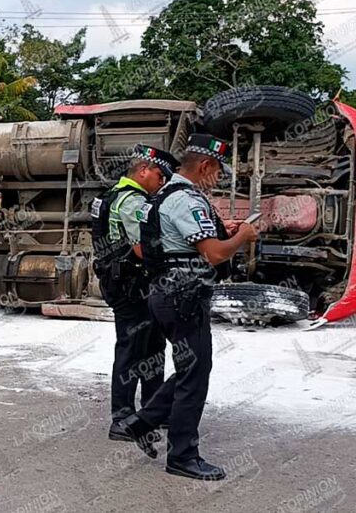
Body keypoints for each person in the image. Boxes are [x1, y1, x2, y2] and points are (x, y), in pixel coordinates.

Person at [120, 133, 259, 481]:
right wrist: (243, 236)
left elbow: (181, 241)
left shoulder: (164, 194)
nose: (218, 178)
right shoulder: (186, 199)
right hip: (184, 297)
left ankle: (142, 421)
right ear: (205, 165)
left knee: (190, 368)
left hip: (166, 294)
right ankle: (182, 456)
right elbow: (214, 254)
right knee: (194, 376)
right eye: (217, 171)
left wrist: (223, 230)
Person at [90, 145, 180, 444]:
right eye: (159, 175)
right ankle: (123, 419)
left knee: (151, 346)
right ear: (143, 171)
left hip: (126, 282)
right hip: (132, 286)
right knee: (131, 350)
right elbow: (143, 248)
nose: (161, 182)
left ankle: (153, 412)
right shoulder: (133, 201)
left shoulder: (110, 195)